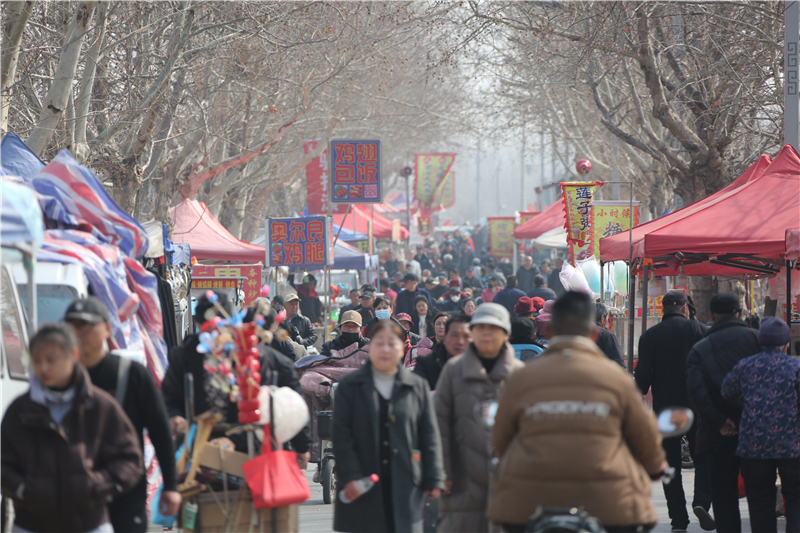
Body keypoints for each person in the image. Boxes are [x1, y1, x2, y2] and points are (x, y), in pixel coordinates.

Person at [487, 292, 667, 532]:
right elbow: (645, 437)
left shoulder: (520, 378)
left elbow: (500, 439)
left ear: (548, 332)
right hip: (608, 500)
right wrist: (656, 467)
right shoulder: (617, 379)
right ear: (594, 334)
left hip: (528, 501)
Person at [2, 323, 143, 533]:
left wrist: (98, 484)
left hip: (91, 524)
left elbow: (130, 459)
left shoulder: (101, 406)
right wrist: (23, 488)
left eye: (51, 359)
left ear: (74, 355)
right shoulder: (19, 410)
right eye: (37, 360)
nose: (43, 368)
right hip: (30, 525)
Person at [63, 298, 181, 533]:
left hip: (125, 493)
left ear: (107, 328)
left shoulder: (132, 375)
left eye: (87, 325)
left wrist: (170, 486)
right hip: (73, 495)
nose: (79, 333)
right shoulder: (60, 379)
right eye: (73, 326)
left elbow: (160, 432)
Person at [162, 293, 312, 462]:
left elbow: (289, 401)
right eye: (208, 328)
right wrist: (174, 416)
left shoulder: (252, 354)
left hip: (250, 444)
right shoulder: (184, 356)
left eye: (219, 327)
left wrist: (302, 445)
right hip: (195, 444)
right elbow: (169, 396)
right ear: (198, 324)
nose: (214, 335)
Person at [332, 320, 445, 533]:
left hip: (406, 482)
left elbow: (429, 434)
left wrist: (434, 476)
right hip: (362, 482)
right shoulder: (350, 386)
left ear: (403, 348)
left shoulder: (416, 386)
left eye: (392, 343)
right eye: (379, 343)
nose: (385, 349)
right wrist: (350, 475)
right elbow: (341, 435)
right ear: (370, 347)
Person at [434, 303, 524, 532]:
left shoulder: (521, 375)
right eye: (480, 327)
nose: (486, 333)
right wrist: (443, 472)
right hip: (462, 482)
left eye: (493, 328)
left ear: (506, 333)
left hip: (511, 485)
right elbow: (439, 425)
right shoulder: (453, 371)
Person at [633, 291, 713, 531]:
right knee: (703, 458)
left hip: (666, 410)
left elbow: (643, 376)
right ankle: (701, 502)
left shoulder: (649, 336)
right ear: (685, 308)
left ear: (663, 309)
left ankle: (678, 520)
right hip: (699, 405)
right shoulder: (701, 332)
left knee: (669, 464)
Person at [686, 292, 760, 533]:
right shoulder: (757, 341)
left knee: (723, 496)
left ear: (712, 316)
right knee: (760, 494)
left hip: (716, 434)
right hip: (756, 432)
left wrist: (719, 421)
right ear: (739, 313)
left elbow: (697, 392)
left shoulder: (699, 349)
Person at [721, 317, 800, 533]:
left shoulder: (746, 366)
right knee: (795, 497)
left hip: (753, 444)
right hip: (791, 444)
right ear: (786, 343)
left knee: (759, 501)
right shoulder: (795, 366)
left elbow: (726, 391)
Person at [414, 315, 472, 391]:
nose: (460, 342)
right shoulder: (426, 364)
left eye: (466, 336)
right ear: (444, 338)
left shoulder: (482, 364)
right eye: (455, 335)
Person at [593, 303, 625, 367]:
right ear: (602, 318)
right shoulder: (607, 335)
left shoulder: (580, 334)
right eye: (607, 318)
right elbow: (618, 364)